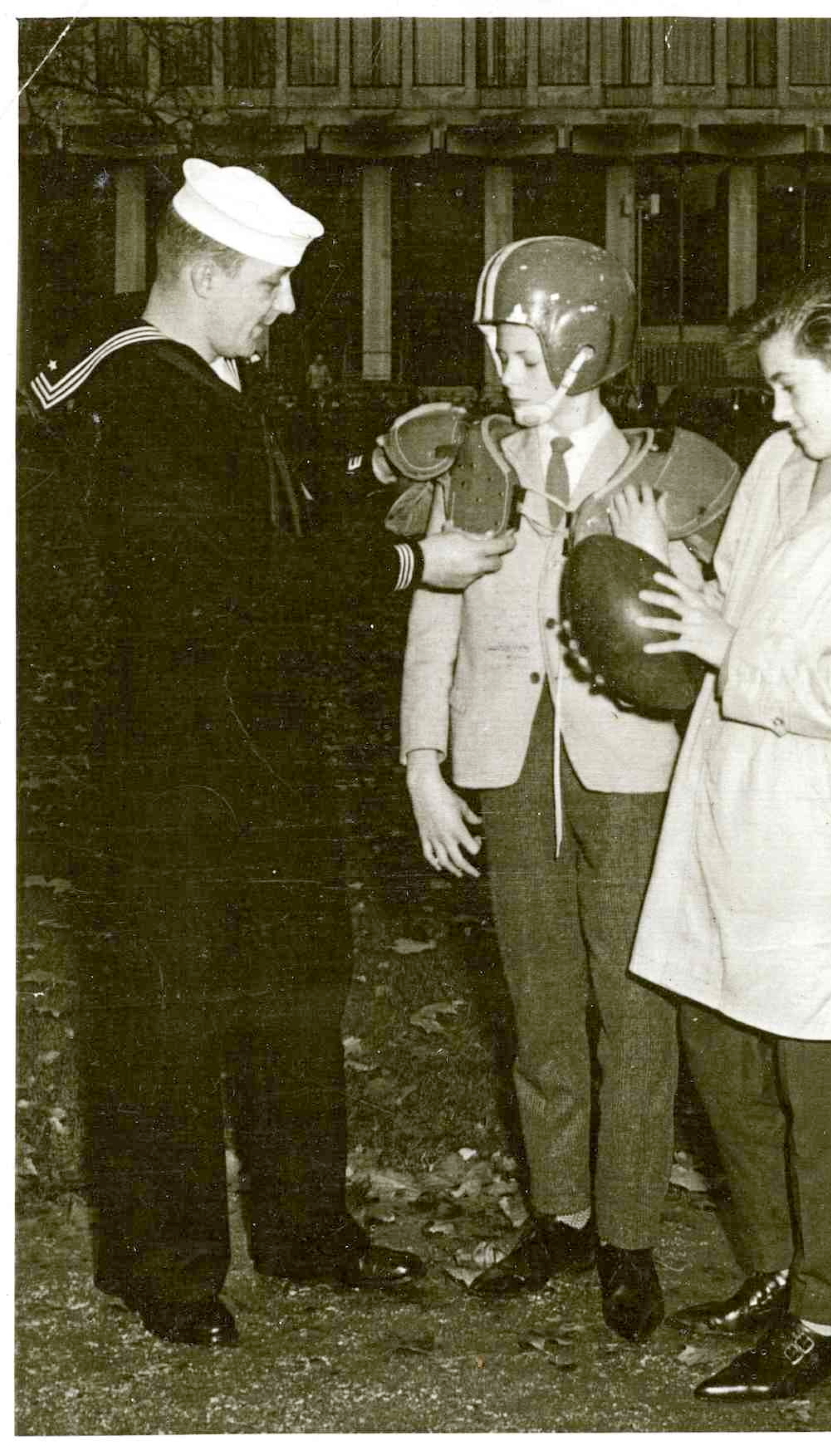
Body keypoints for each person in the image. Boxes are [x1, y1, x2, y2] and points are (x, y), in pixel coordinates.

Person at [27, 157, 513, 1349]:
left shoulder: (212, 378)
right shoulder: (134, 394)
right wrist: (409, 566)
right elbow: (222, 579)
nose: (288, 305)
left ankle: (308, 1231)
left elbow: (268, 523)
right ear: (203, 272)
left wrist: (382, 473)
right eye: (274, 282)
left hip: (264, 749)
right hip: (165, 763)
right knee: (167, 1010)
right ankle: (164, 1269)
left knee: (296, 988)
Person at [612, 271, 831, 1399]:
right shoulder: (782, 465)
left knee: (824, 1082)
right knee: (720, 1047)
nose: (773, 410)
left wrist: (728, 647)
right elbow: (727, 602)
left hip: (825, 832)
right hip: (726, 799)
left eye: (787, 384)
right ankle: (773, 1265)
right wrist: (657, 565)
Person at [399, 236, 739, 1343]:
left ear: (586, 341)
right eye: (495, 347)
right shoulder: (471, 459)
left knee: (634, 1007)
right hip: (503, 761)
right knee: (538, 1003)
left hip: (631, 763)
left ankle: (629, 1233)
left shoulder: (672, 468)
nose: (506, 368)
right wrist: (421, 767)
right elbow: (434, 619)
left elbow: (708, 626)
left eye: (523, 345)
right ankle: (560, 1213)